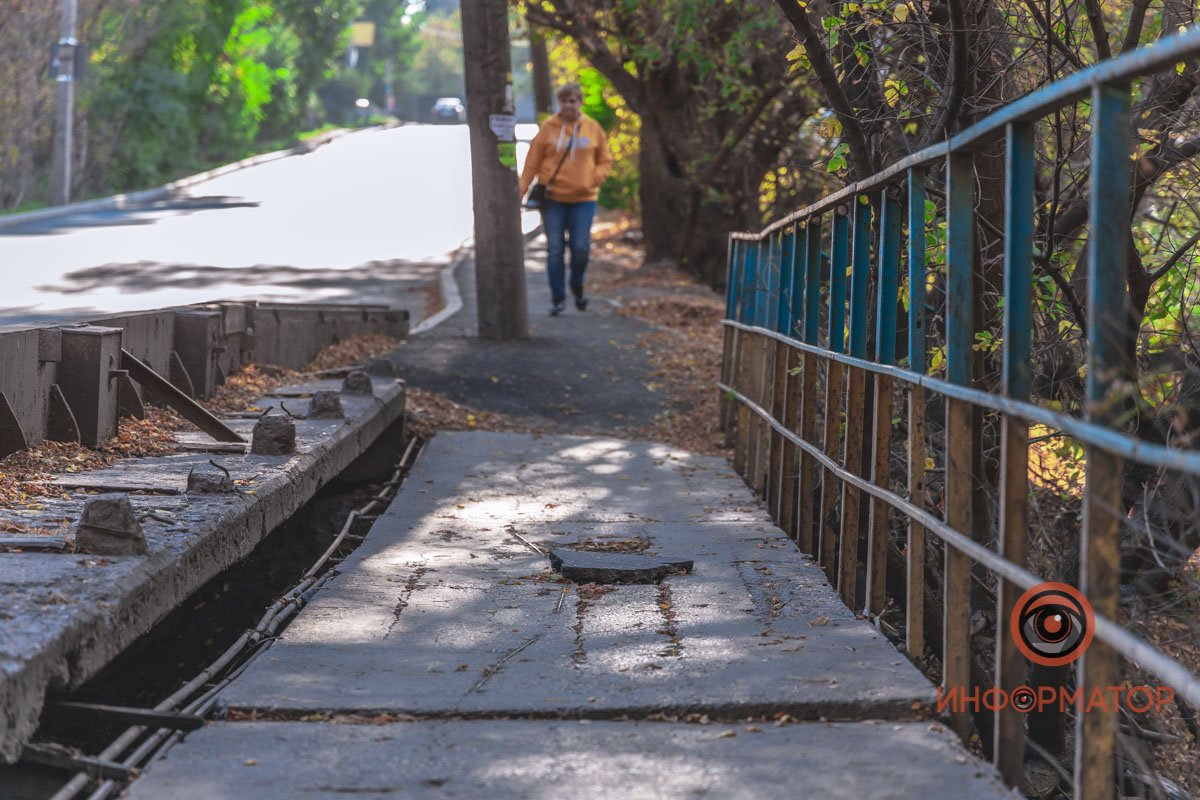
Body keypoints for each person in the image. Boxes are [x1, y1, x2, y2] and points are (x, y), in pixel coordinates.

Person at [519, 82, 613, 316]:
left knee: (580, 248)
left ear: (580, 102)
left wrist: (595, 178)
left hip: (584, 198)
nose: (569, 105)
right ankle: (558, 298)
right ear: (559, 103)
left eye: (573, 101)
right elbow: (532, 163)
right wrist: (519, 192)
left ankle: (577, 285)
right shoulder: (548, 129)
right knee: (555, 248)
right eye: (564, 101)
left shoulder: (592, 128)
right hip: (553, 199)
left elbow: (605, 159)